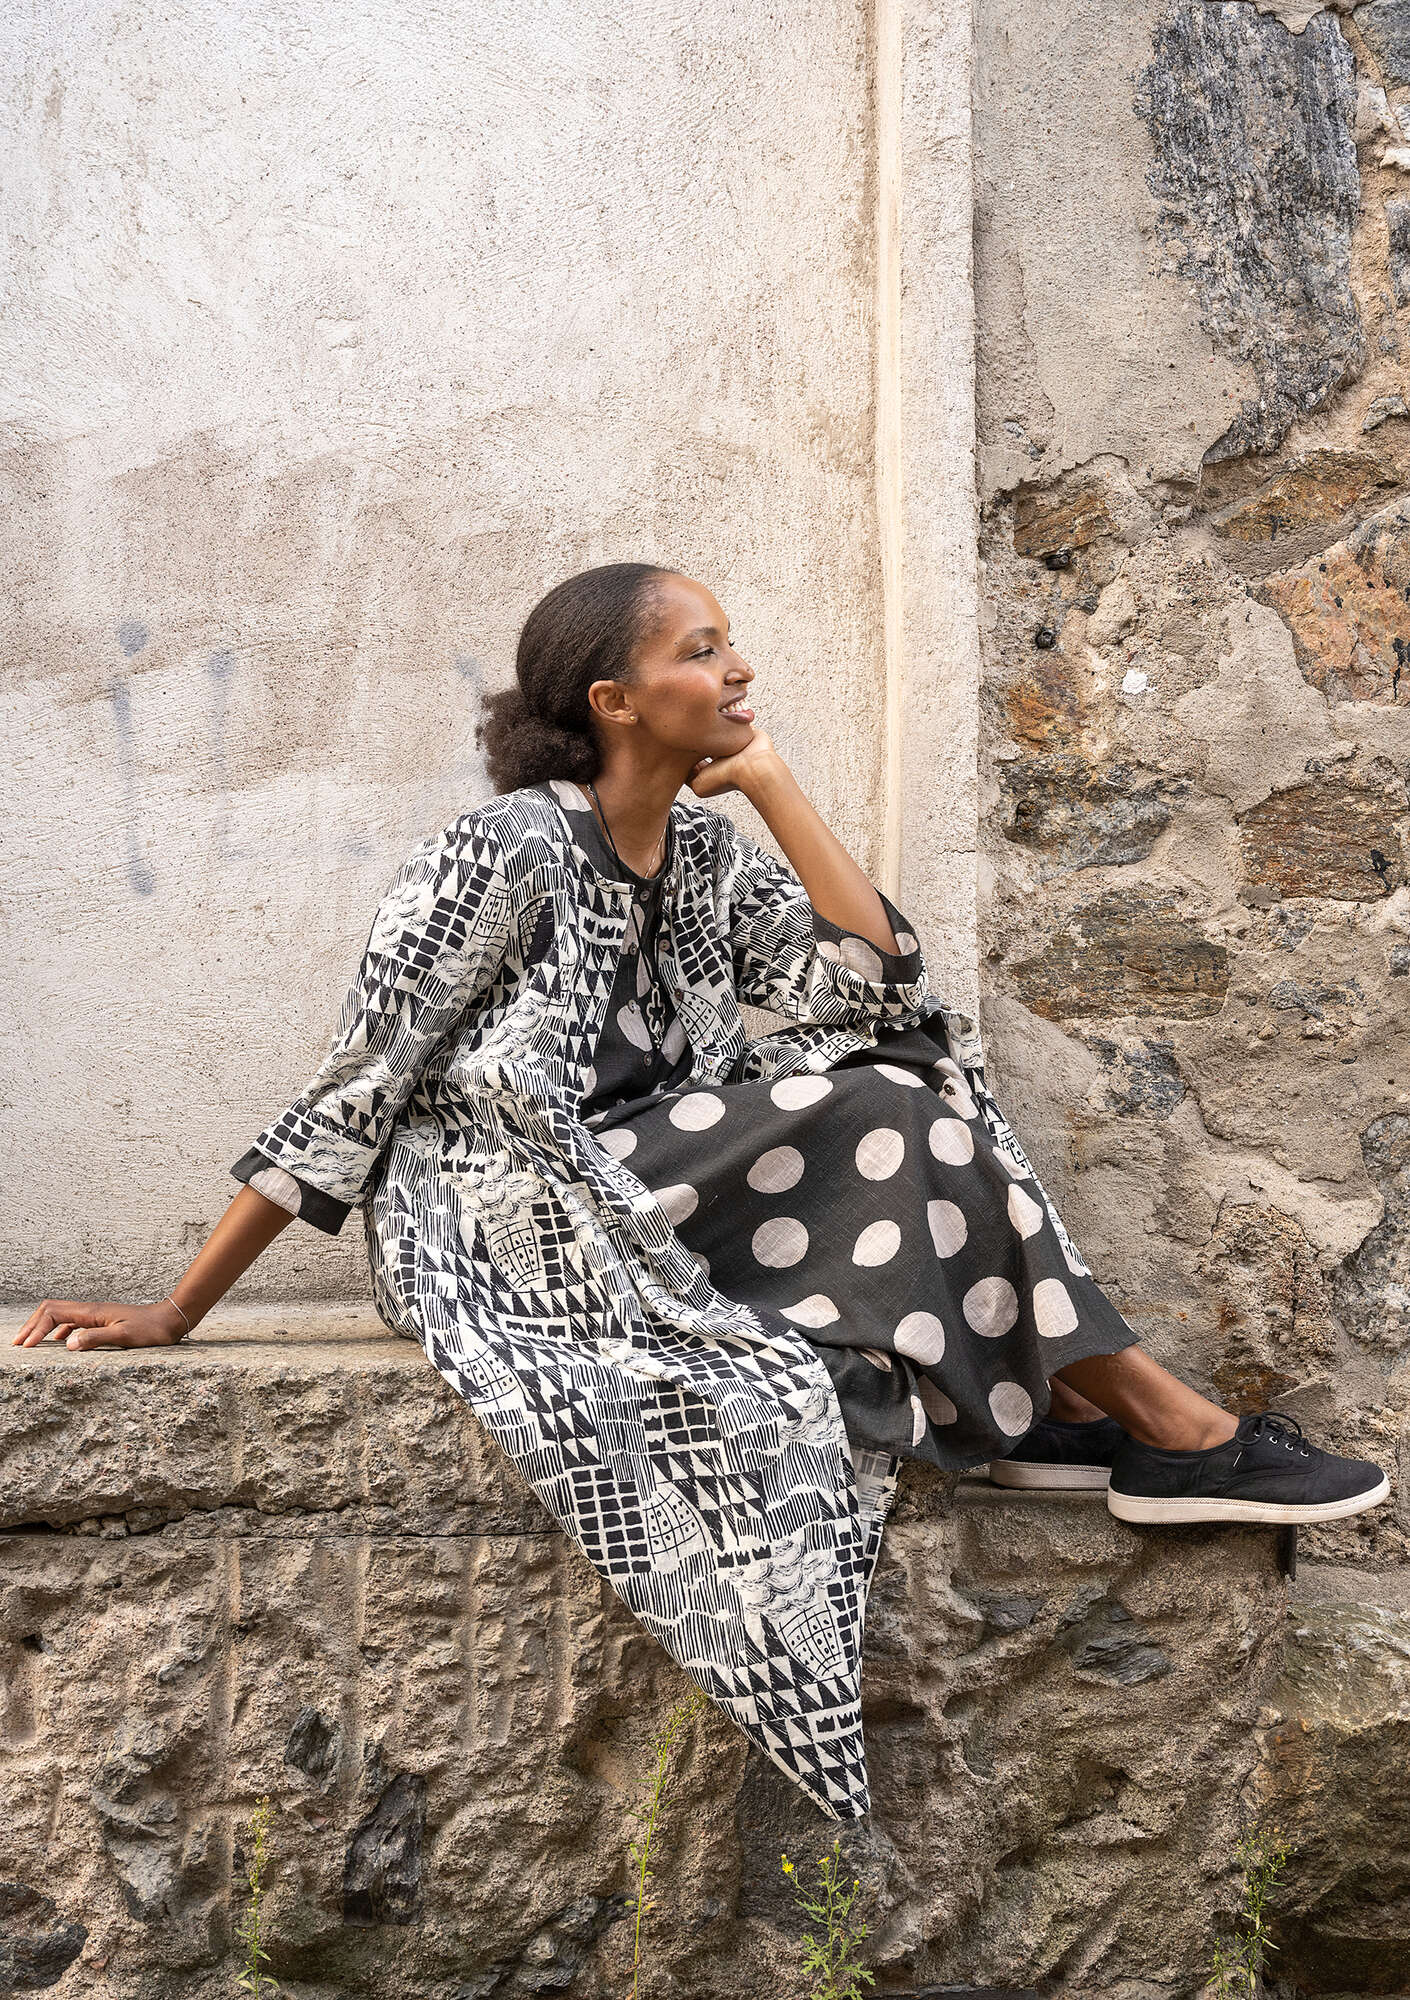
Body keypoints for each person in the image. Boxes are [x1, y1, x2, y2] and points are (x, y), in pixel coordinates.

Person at [13, 561, 1389, 1823]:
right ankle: (1151, 1425)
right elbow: (358, 1084)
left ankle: (1092, 1414)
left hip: (658, 1185)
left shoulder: (707, 855)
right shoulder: (499, 852)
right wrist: (177, 1311)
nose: (737, 670)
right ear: (613, 700)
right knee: (877, 1105)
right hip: (506, 1213)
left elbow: (877, 983)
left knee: (912, 1071)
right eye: (700, 651)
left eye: (730, 646)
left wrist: (775, 788)